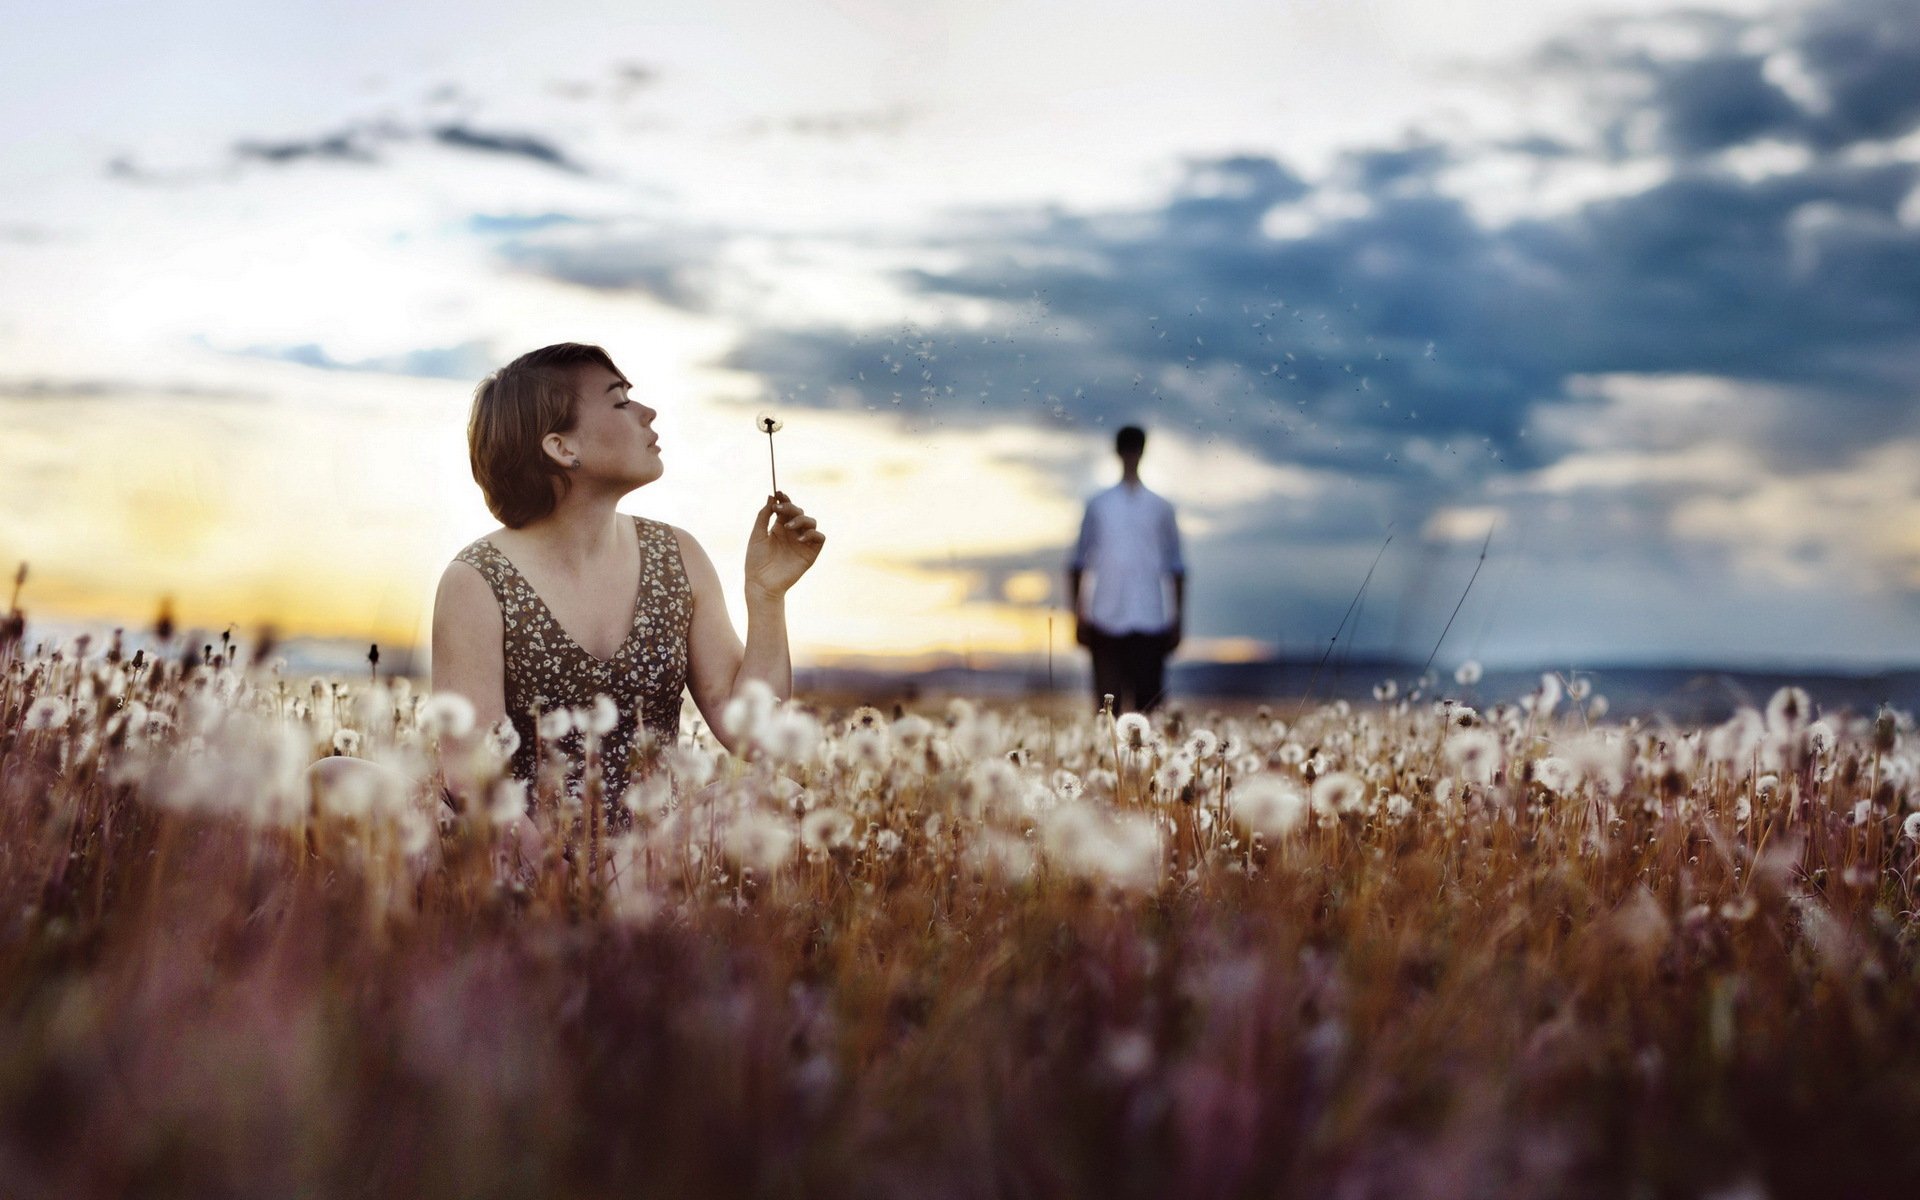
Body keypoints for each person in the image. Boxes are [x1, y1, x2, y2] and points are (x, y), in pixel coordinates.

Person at [310, 342, 825, 828]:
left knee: (780, 795)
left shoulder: (678, 556)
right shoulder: (477, 580)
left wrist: (766, 596)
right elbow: (474, 780)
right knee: (331, 778)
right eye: (620, 401)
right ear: (561, 447)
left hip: (657, 853)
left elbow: (755, 738)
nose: (648, 413)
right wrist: (550, 876)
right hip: (518, 853)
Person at [1067, 424, 1185, 715]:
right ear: (1119, 453)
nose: (1131, 455)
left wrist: (1177, 620)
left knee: (1150, 713)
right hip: (1106, 620)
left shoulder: (1161, 507)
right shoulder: (1099, 505)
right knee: (1108, 713)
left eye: (1135, 449)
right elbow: (1077, 564)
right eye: (1127, 449)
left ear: (1141, 452)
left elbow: (1177, 567)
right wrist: (1078, 616)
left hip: (1150, 621)